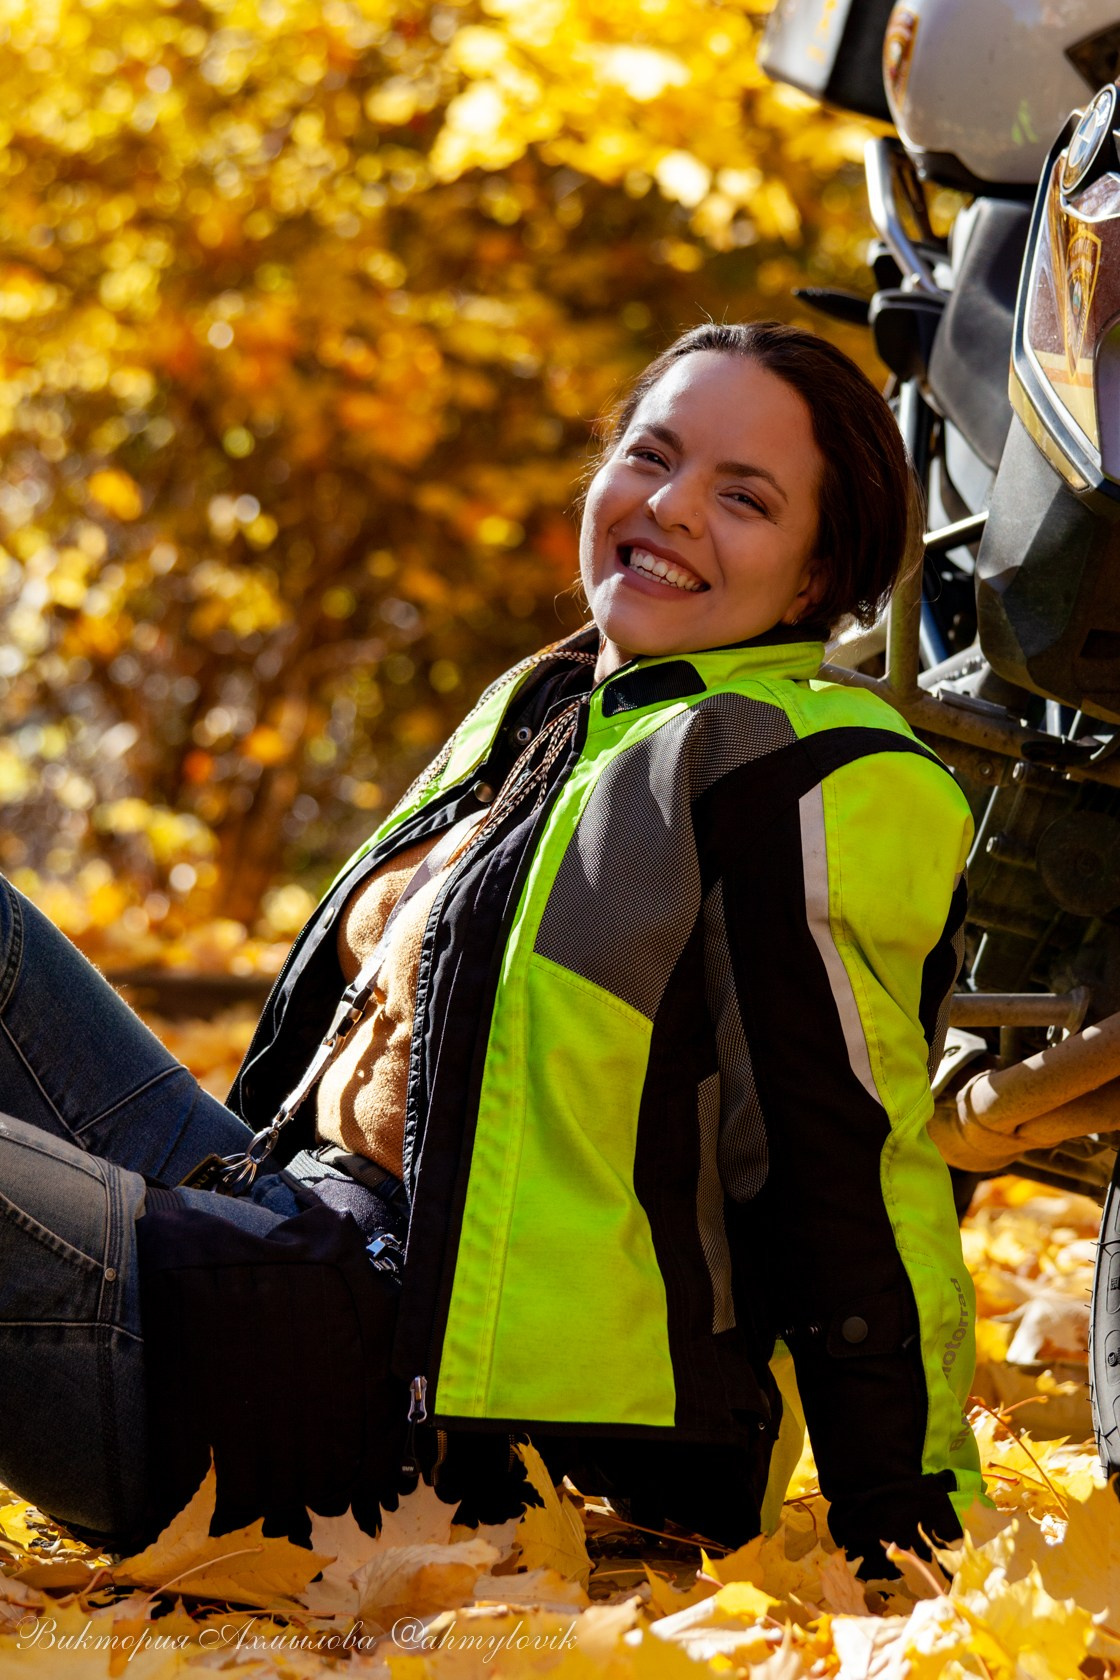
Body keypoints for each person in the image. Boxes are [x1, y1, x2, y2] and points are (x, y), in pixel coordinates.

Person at [0, 321, 983, 1576]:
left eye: (744, 498)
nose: (673, 507)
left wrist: (910, 1533)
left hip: (393, 1415)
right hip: (276, 1223)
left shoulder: (805, 773)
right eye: (652, 456)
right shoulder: (553, 708)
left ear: (812, 580)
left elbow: (847, 1170)